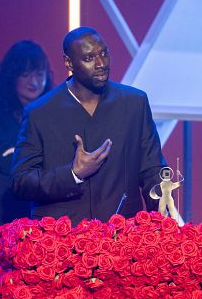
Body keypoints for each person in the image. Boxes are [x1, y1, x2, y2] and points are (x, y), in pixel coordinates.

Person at [11, 26, 166, 225]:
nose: (101, 63)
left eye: (104, 53)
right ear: (69, 62)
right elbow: (21, 182)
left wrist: (163, 220)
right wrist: (73, 174)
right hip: (63, 240)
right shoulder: (40, 113)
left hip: (122, 237)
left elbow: (152, 170)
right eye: (89, 58)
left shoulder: (134, 103)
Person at [0, 40, 53, 261]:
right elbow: (2, 158)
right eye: (27, 74)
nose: (35, 82)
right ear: (12, 76)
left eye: (40, 74)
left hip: (42, 209)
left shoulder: (55, 110)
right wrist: (43, 159)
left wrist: (19, 152)